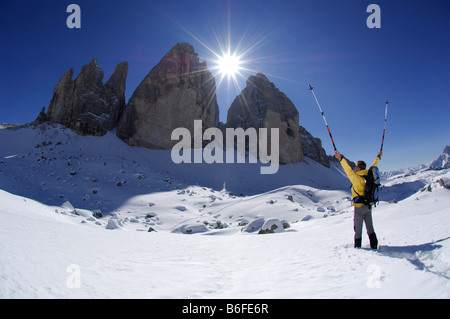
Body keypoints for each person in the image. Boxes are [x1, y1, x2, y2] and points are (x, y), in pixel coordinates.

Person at [335, 150, 382, 249]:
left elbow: (348, 170)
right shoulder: (369, 175)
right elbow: (374, 165)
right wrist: (378, 157)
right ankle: (374, 246)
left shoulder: (356, 178)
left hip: (359, 208)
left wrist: (340, 159)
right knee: (370, 228)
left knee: (358, 230)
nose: (354, 167)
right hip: (368, 206)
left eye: (356, 166)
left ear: (358, 168)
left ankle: (358, 249)